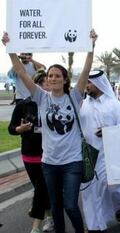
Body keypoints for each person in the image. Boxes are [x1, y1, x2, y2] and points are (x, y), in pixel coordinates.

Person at [2, 30, 97, 233]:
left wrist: (91, 47)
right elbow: (21, 72)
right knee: (55, 207)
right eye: (50, 75)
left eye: (57, 76)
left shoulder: (75, 96)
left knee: (70, 205)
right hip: (50, 163)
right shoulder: (41, 97)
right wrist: (10, 49)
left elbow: (86, 71)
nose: (52, 78)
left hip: (73, 161)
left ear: (64, 79)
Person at [79, 70, 120, 232]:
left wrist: (109, 130)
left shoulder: (115, 105)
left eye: (89, 83)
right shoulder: (82, 104)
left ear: (99, 83)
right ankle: (95, 227)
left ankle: (117, 206)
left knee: (112, 189)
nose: (86, 86)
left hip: (110, 156)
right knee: (90, 193)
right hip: (88, 157)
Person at [8, 70, 54, 233]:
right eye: (46, 83)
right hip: (29, 154)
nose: (50, 85)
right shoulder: (24, 105)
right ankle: (50, 216)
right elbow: (11, 129)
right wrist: (20, 128)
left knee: (41, 188)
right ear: (38, 86)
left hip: (48, 155)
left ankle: (37, 226)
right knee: (41, 188)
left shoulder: (54, 104)